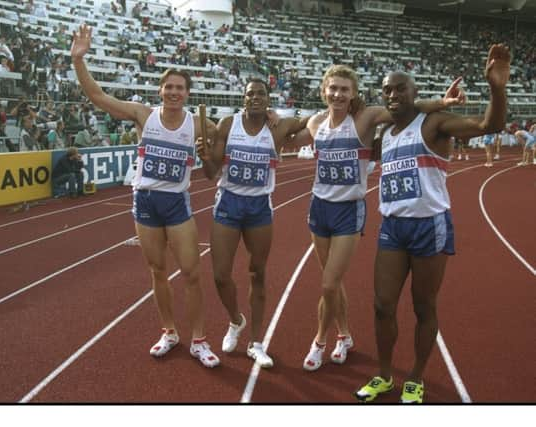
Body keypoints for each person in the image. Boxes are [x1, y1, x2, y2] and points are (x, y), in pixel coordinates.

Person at [354, 44, 509, 404]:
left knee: (423, 307)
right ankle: (383, 375)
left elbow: (491, 125)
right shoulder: (386, 136)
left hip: (429, 227)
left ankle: (416, 377)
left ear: (415, 93)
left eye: (400, 88)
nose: (392, 94)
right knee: (382, 306)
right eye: (387, 89)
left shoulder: (435, 124)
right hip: (392, 228)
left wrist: (497, 89)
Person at [286, 65, 464, 373]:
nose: (338, 94)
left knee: (328, 283)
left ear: (354, 93)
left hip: (348, 209)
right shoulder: (316, 122)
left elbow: (406, 107)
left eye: (344, 89)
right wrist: (273, 121)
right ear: (323, 91)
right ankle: (344, 335)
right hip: (319, 207)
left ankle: (319, 341)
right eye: (333, 88)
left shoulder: (366, 118)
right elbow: (289, 138)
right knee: (333, 282)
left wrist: (440, 103)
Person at [71, 24, 221, 368]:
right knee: (156, 271)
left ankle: (199, 339)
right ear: (160, 90)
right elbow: (98, 97)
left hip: (176, 203)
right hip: (145, 202)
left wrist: (209, 151)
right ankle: (169, 331)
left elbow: (220, 152)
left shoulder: (200, 124)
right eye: (168, 86)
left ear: (187, 93)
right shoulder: (143, 115)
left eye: (180, 88)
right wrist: (79, 61)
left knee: (192, 273)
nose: (173, 92)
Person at [195, 79, 309, 368]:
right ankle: (236, 320)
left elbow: (316, 120)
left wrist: (282, 117)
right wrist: (205, 156)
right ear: (243, 99)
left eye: (261, 94)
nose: (255, 98)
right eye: (250, 94)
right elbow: (211, 173)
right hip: (229, 202)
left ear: (268, 99)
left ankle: (256, 343)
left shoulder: (279, 127)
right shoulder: (227, 124)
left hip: (259, 205)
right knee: (220, 275)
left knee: (257, 273)